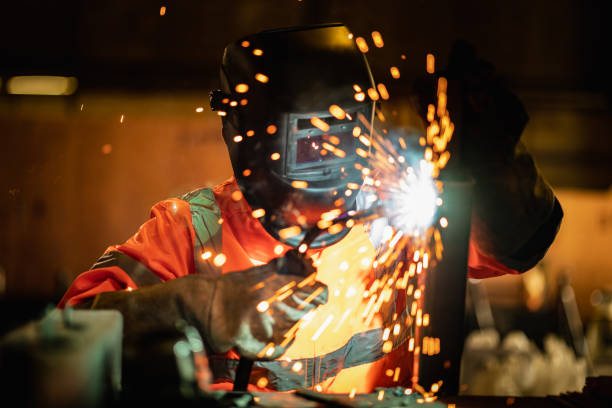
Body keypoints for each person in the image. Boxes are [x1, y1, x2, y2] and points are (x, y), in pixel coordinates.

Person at [59, 24, 562, 392]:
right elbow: (65, 344)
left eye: (350, 139)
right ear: (254, 145)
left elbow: (515, 248)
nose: (339, 170)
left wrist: (497, 175)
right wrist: (193, 307)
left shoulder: (395, 219)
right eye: (315, 147)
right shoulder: (191, 230)